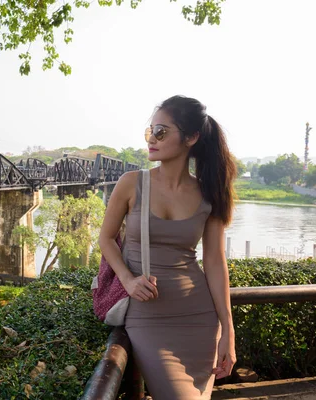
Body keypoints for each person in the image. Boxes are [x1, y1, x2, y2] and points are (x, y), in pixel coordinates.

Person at [98, 95, 237, 399]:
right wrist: (128, 280)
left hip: (199, 317)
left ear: (191, 138)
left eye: (161, 132)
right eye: (150, 131)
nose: (152, 139)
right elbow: (106, 239)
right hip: (148, 317)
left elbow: (214, 261)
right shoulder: (131, 183)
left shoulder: (208, 193)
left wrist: (228, 329)